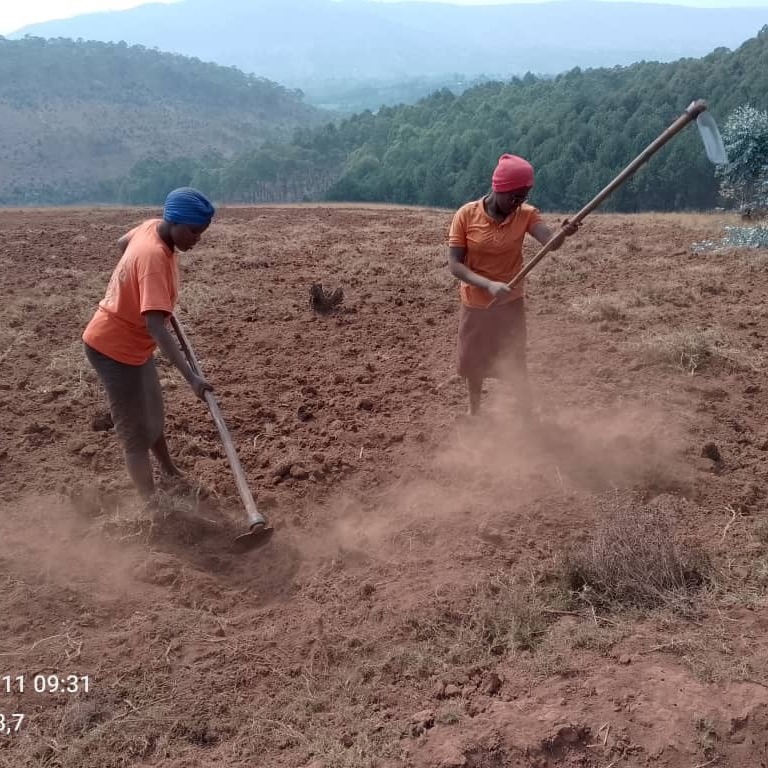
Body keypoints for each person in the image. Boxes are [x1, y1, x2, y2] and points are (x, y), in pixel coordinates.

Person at [82, 187, 216, 499]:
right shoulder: (154, 257)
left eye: (202, 232)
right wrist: (192, 379)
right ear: (176, 222)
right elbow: (157, 327)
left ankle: (169, 471)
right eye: (194, 232)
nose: (197, 239)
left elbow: (122, 244)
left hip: (135, 346)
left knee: (153, 412)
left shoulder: (151, 227)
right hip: (112, 348)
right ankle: (151, 505)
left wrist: (137, 285)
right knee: (135, 431)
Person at [448, 154, 578, 418]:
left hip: (510, 303)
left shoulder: (526, 215)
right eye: (514, 197)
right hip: (476, 303)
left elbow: (549, 242)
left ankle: (525, 415)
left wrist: (562, 234)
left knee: (515, 360)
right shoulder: (466, 215)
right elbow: (455, 265)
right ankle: (475, 412)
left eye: (524, 197)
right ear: (499, 188)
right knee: (474, 363)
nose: (518, 203)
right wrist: (489, 285)